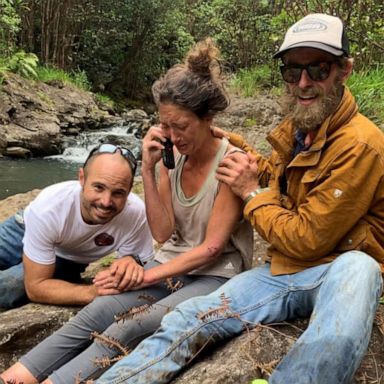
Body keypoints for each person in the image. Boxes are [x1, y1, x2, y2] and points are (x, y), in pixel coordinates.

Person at [93, 13, 384, 384]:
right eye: (293, 72)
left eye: (319, 69)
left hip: (336, 267)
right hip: (282, 272)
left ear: (345, 70)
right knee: (188, 318)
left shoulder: (361, 144)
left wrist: (250, 192)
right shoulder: (302, 125)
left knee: (359, 272)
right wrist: (236, 147)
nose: (304, 83)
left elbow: (308, 240)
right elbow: (279, 180)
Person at [0, 38, 253, 383]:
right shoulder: (171, 157)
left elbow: (210, 247)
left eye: (181, 126)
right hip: (171, 263)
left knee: (129, 326)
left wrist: (145, 274)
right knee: (97, 310)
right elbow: (163, 233)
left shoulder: (231, 163)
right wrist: (148, 170)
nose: (172, 136)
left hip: (215, 271)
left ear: (207, 118)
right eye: (166, 125)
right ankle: (14, 378)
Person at [0, 143, 154, 309]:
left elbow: (36, 285)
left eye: (118, 193)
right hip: (24, 228)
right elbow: (36, 289)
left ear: (130, 190)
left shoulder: (136, 214)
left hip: (67, 257)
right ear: (81, 178)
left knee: (8, 288)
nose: (106, 202)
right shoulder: (50, 207)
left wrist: (131, 260)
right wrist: (92, 292)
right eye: (98, 187)